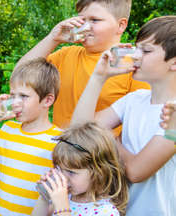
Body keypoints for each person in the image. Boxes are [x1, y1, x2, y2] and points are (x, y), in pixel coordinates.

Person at [71, 16, 176, 215]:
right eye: (136, 48)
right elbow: (80, 131)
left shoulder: (173, 116)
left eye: (145, 51)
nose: (135, 56)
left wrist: (110, 138)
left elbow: (136, 172)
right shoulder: (135, 100)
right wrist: (98, 77)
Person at [16, 0, 149, 132]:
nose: (85, 26)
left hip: (101, 150)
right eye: (81, 20)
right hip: (59, 148)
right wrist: (52, 39)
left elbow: (139, 122)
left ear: (121, 25)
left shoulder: (133, 65)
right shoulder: (65, 55)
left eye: (95, 20)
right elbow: (20, 76)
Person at [0, 58, 62, 215]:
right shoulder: (7, 130)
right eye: (13, 95)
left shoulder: (58, 141)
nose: (16, 102)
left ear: (47, 100)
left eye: (24, 96)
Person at [32, 122, 129, 216]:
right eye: (60, 169)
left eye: (71, 172)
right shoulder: (66, 197)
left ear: (100, 173)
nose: (63, 178)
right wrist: (44, 196)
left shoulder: (106, 211)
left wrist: (62, 208)